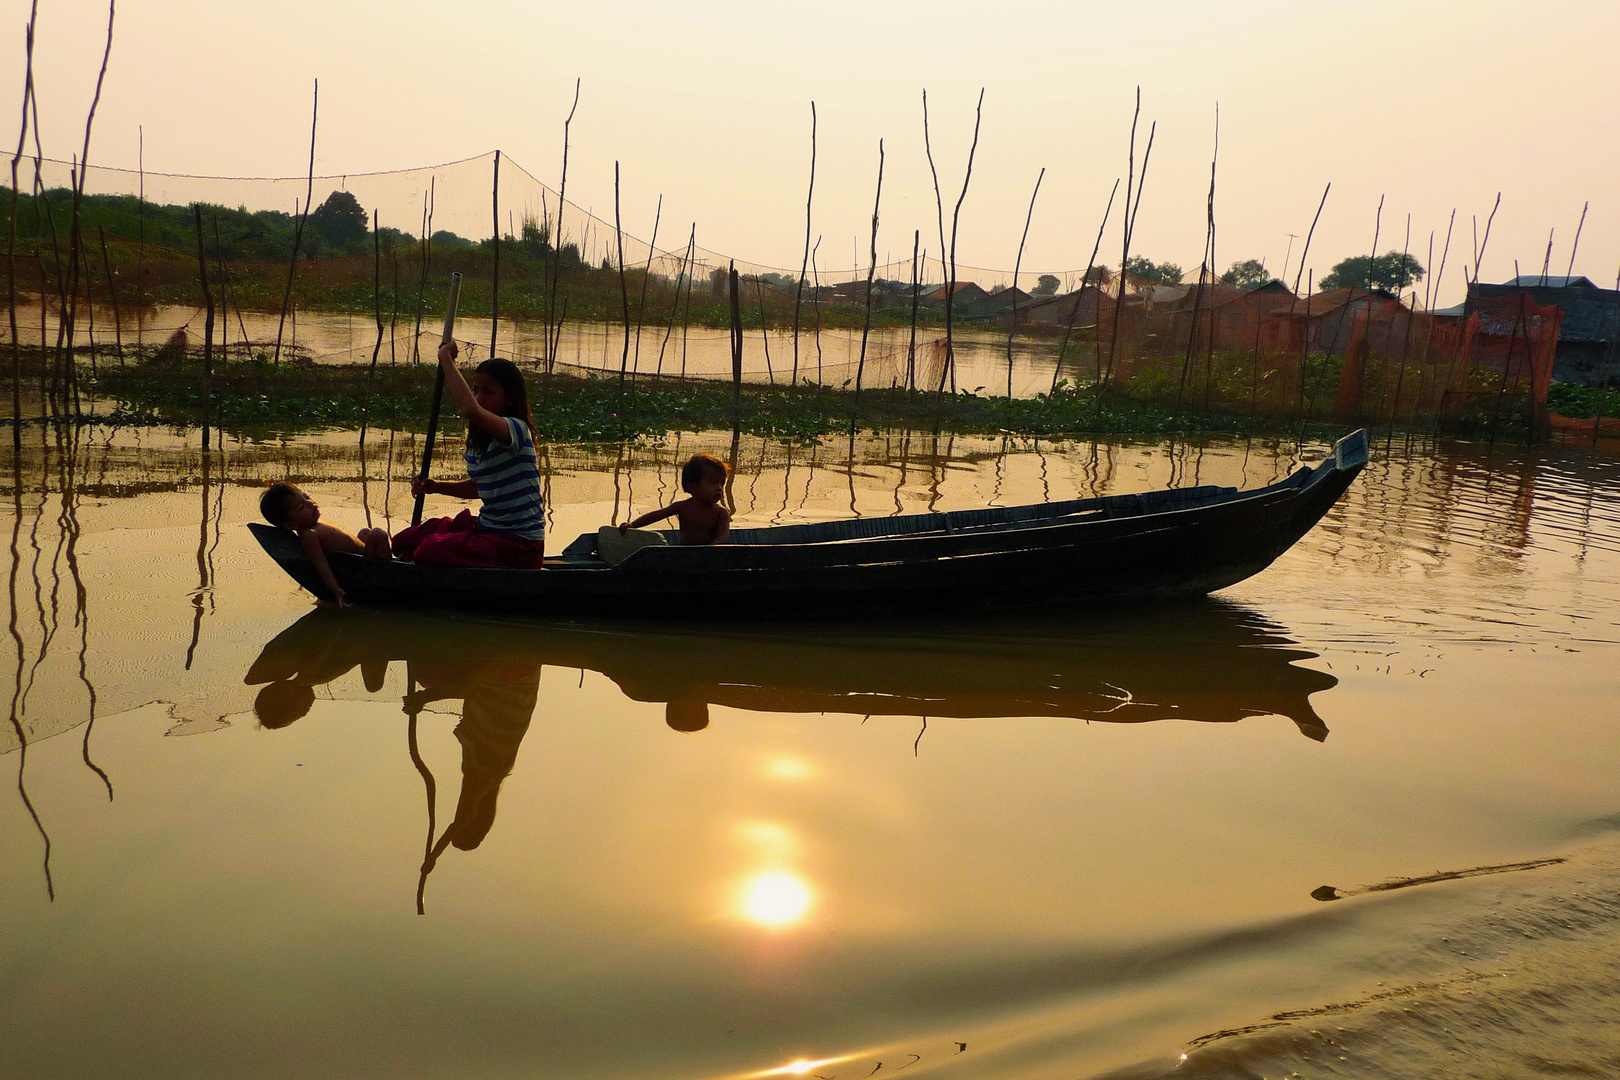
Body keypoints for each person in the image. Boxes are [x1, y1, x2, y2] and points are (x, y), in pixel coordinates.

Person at [393, 341, 546, 569]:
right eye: (475, 390)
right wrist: (436, 486)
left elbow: (470, 410)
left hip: (519, 545)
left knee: (430, 550)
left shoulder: (515, 429)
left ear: (510, 399)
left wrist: (447, 361)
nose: (478, 397)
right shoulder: (479, 440)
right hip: (488, 528)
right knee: (404, 540)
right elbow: (481, 486)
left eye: (488, 392)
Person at [260, 482, 392, 608]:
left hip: (365, 555)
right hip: (367, 567)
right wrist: (335, 589)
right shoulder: (309, 535)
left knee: (365, 532)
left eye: (307, 497)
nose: (310, 503)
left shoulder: (316, 524)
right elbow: (320, 563)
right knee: (378, 534)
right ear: (291, 525)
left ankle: (393, 562)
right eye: (301, 507)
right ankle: (390, 570)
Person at [618, 453, 731, 545]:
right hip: (684, 554)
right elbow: (656, 515)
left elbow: (724, 535)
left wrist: (711, 548)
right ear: (693, 487)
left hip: (710, 556)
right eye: (713, 483)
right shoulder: (682, 507)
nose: (719, 488)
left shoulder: (720, 513)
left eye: (722, 483)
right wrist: (632, 525)